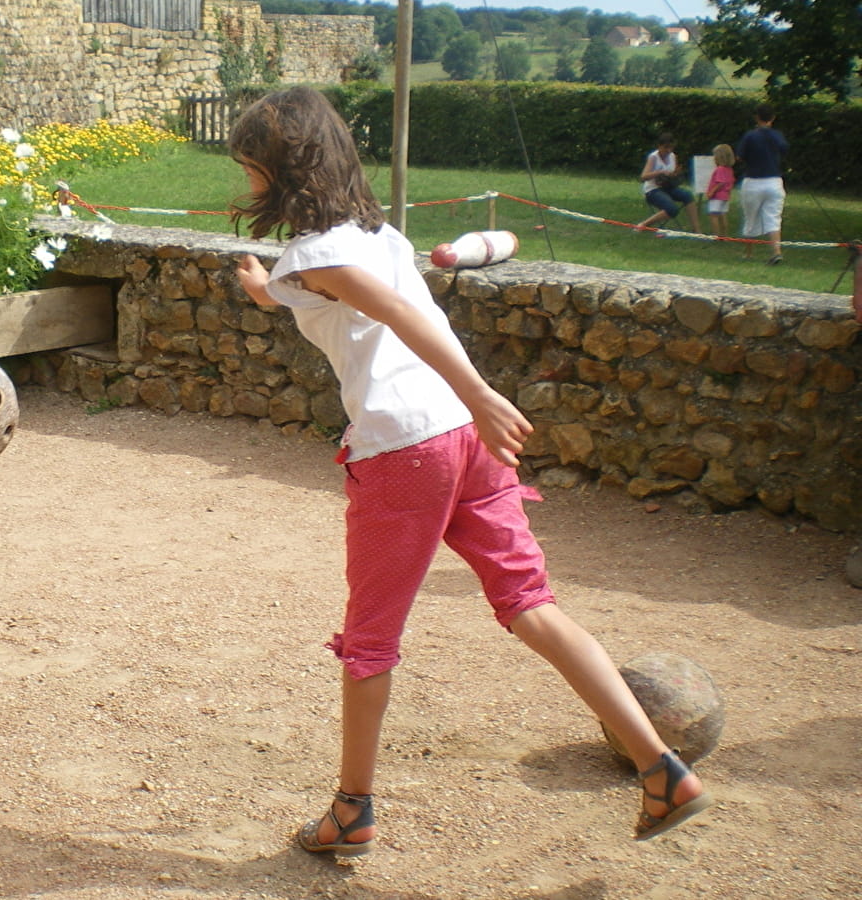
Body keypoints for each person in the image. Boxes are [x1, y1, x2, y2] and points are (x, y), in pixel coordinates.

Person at [226, 86, 711, 857]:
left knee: (369, 643)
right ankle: (662, 767)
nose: (244, 179)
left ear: (281, 170)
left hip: (405, 450)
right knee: (532, 604)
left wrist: (484, 394)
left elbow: (398, 315)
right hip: (462, 441)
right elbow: (345, 302)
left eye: (250, 164)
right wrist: (265, 292)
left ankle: (353, 810)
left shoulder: (315, 256)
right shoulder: (370, 236)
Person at [736, 103, 789, 265]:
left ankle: (748, 253)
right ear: (772, 118)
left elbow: (739, 157)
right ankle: (776, 252)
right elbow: (784, 150)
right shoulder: (777, 135)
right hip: (774, 182)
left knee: (750, 217)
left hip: (753, 182)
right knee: (773, 218)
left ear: (756, 117)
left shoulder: (750, 136)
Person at [635, 132, 701, 234]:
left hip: (668, 186)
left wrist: (676, 173)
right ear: (659, 146)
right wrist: (660, 172)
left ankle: (697, 230)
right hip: (653, 189)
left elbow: (672, 174)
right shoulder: (653, 157)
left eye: (671, 148)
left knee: (688, 196)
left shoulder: (673, 156)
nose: (668, 151)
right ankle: (644, 224)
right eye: (666, 148)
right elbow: (643, 177)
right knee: (672, 209)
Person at [704, 143, 736, 241]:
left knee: (714, 215)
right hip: (725, 196)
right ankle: (724, 235)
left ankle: (716, 235)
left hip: (717, 196)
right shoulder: (729, 170)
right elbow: (730, 182)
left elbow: (720, 183)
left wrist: (711, 192)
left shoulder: (720, 169)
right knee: (722, 215)